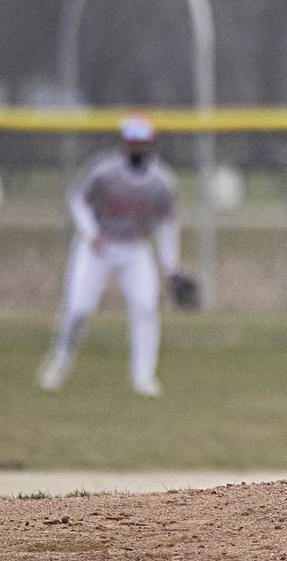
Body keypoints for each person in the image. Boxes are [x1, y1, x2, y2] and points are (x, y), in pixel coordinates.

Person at [37, 116, 184, 398]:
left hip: (135, 248)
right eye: (132, 141)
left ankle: (144, 377)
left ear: (150, 142)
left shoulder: (162, 181)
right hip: (97, 247)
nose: (137, 147)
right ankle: (61, 360)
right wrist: (90, 231)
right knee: (79, 308)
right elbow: (77, 198)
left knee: (146, 307)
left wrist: (171, 266)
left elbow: (167, 224)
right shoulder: (104, 171)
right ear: (124, 141)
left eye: (141, 141)